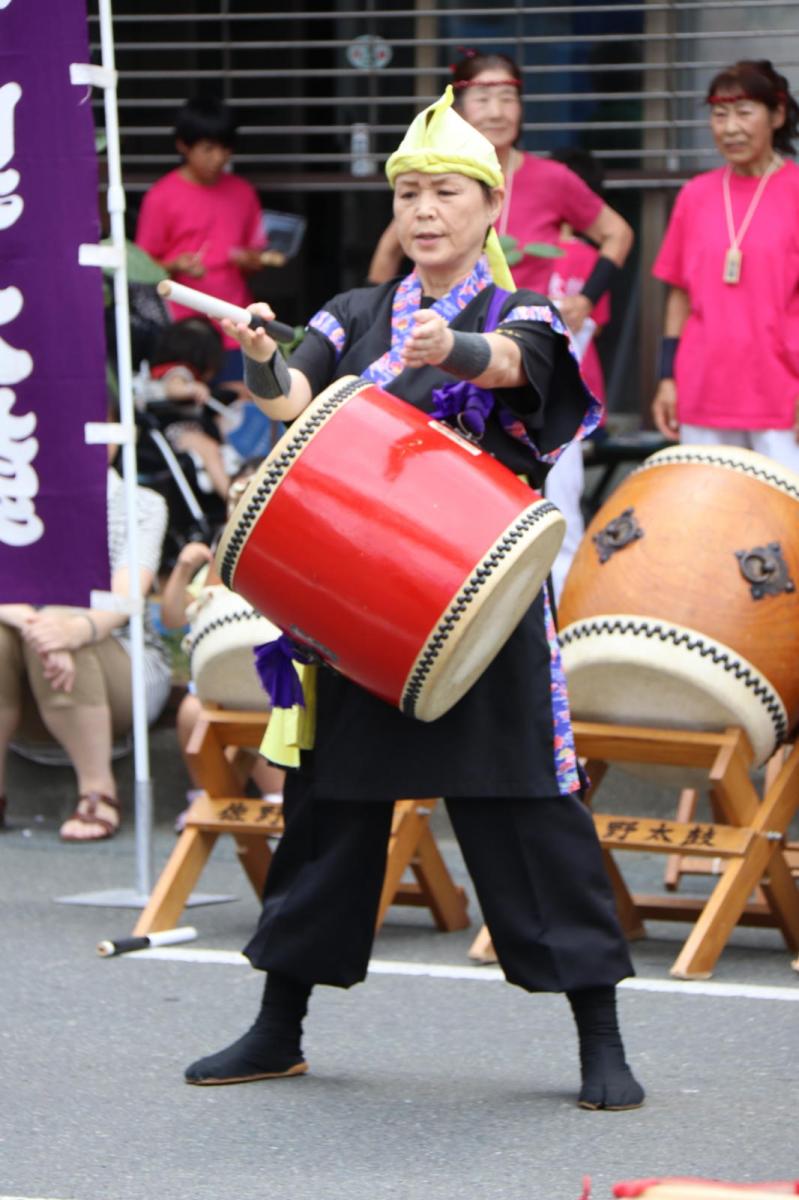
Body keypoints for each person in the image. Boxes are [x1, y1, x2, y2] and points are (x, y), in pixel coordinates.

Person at [181, 86, 645, 1113]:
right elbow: (295, 398)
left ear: (487, 205)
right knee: (326, 817)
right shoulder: (353, 315)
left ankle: (600, 1040)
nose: (424, 210)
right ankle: (277, 1027)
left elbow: (528, 370)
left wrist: (458, 351)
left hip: (478, 601)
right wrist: (262, 354)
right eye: (407, 193)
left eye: (444, 191)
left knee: (531, 819)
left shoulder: (511, 308)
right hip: (357, 611)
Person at [367, 53, 633, 601]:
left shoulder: (552, 177)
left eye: (508, 96)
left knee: (554, 503)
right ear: (458, 105)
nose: (496, 109)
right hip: (444, 359)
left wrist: (586, 297)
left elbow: (617, 233)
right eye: (482, 96)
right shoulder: (436, 173)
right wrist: (381, 314)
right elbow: (387, 256)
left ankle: (560, 629)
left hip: (527, 356)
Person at [0, 420, 171, 841]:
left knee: (60, 622)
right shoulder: (14, 497)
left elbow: (127, 597)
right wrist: (34, 623)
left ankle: (98, 792)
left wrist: (73, 629)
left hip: (122, 667)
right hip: (30, 659)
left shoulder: (139, 503)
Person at [651, 60, 799, 471]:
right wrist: (667, 378)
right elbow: (678, 294)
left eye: (744, 112)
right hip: (703, 390)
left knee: (786, 522)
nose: (731, 127)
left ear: (778, 115)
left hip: (783, 395)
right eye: (720, 114)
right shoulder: (695, 195)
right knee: (709, 518)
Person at [159, 460, 285, 832]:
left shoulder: (288, 555)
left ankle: (278, 798)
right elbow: (173, 619)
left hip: (275, 678)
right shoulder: (216, 562)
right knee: (190, 712)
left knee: (270, 701)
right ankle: (208, 793)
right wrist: (183, 570)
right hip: (220, 677)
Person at [134, 95, 267, 383]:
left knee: (241, 406)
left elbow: (256, 260)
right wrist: (175, 265)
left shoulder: (243, 193)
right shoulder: (161, 197)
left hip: (235, 323)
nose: (217, 158)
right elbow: (140, 269)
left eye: (224, 148)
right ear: (183, 146)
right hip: (183, 331)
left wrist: (251, 260)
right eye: (207, 149)